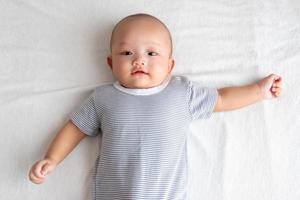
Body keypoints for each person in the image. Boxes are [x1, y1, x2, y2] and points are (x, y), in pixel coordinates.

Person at [28, 13, 282, 199]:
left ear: (170, 66)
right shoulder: (103, 98)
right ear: (110, 63)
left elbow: (223, 99)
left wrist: (259, 91)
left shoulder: (181, 93)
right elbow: (76, 127)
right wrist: (52, 158)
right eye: (127, 53)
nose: (139, 60)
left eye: (152, 53)